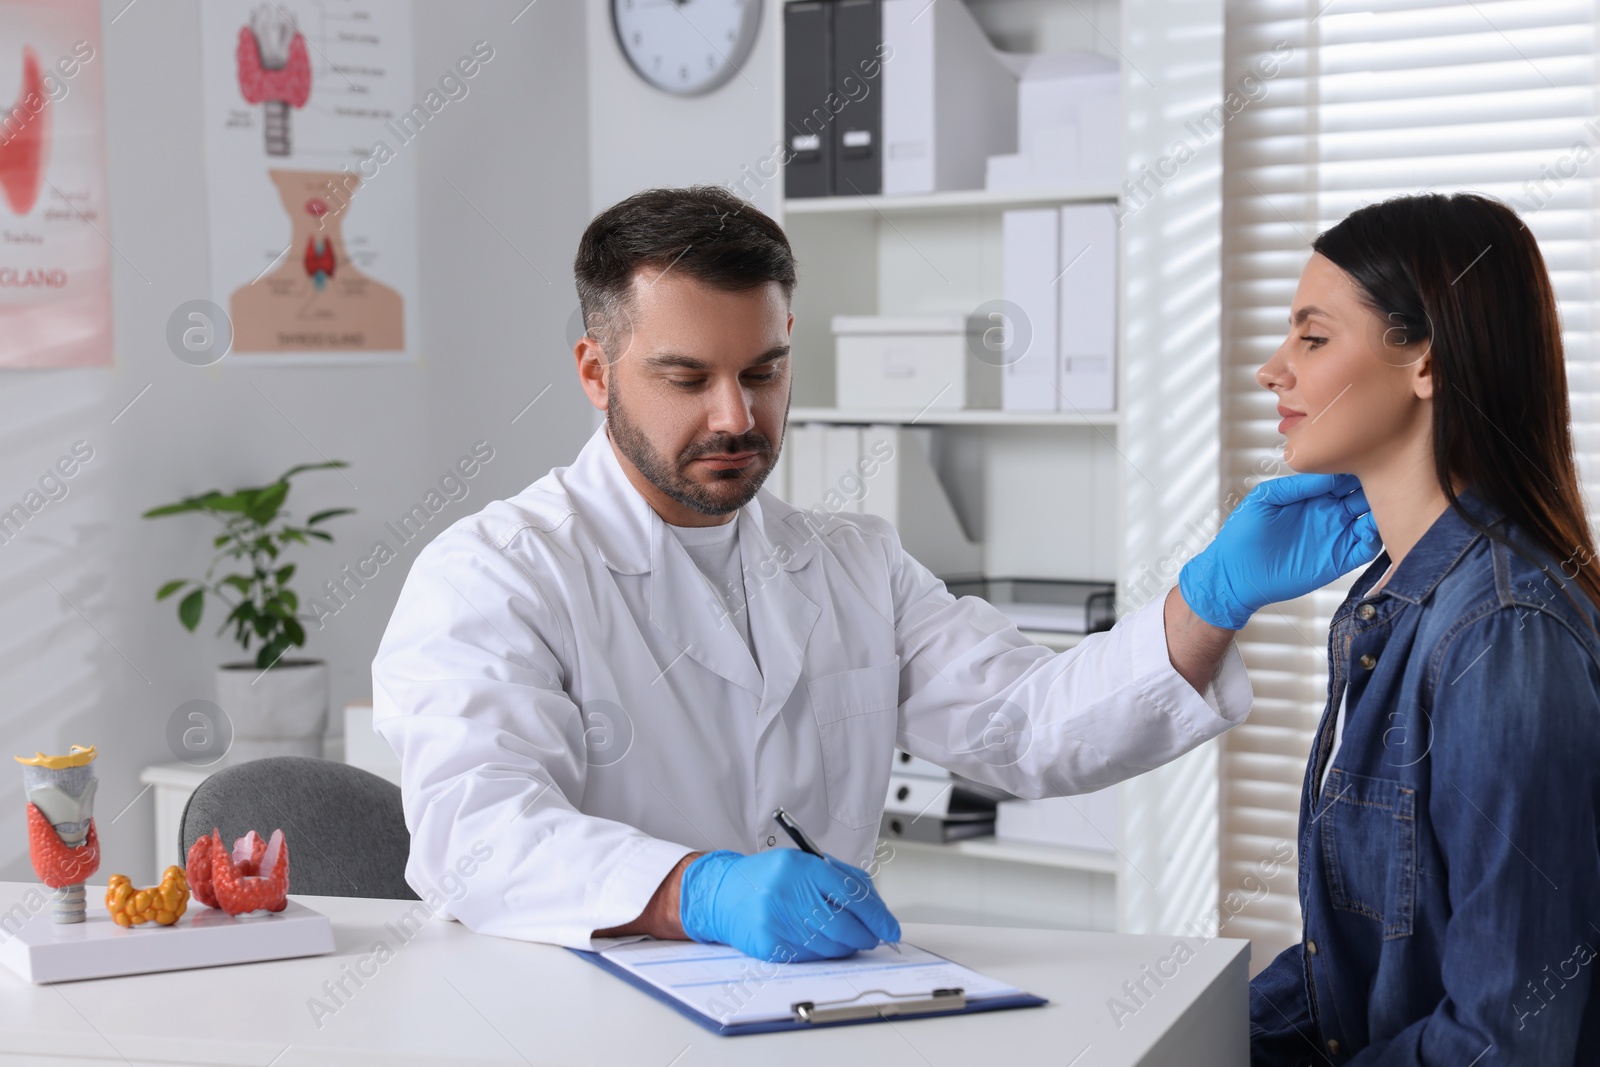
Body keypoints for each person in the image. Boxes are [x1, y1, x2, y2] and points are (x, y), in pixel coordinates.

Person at [370, 184, 1377, 964]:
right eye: (686, 378)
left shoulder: (849, 561)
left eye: (762, 371)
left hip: (807, 1004)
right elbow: (476, 833)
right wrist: (698, 887)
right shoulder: (497, 573)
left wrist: (1207, 600)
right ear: (595, 371)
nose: (735, 415)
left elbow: (1026, 726)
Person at [1248, 192, 1600, 1064]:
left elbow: (1506, 1039)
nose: (1272, 369)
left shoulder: (1500, 632)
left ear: (1427, 364)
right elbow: (1358, 966)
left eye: (1312, 337)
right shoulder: (1395, 599)